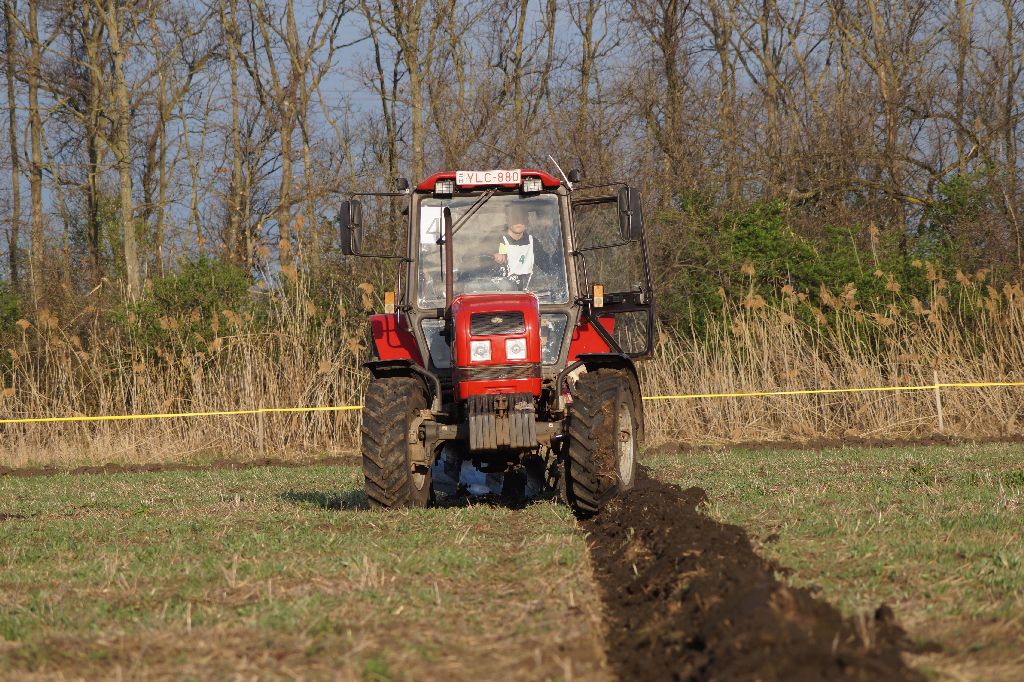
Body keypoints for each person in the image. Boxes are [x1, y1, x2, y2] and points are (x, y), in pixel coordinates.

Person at [492, 204, 551, 289]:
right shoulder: (495, 239)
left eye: (522, 217)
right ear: (507, 219)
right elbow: (478, 258)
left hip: (524, 293)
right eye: (514, 217)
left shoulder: (532, 243)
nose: (518, 221)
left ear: (527, 221)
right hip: (500, 291)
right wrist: (492, 255)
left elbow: (548, 266)